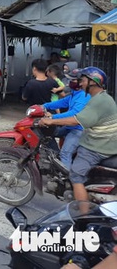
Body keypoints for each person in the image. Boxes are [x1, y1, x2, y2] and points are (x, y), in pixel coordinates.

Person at [40, 66, 117, 203]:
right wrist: (43, 107)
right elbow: (62, 103)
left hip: (96, 145)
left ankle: (82, 215)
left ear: (93, 82)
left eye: (82, 81)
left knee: (75, 173)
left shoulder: (96, 100)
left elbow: (76, 118)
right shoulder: (92, 96)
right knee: (57, 134)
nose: (79, 83)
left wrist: (51, 120)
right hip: (95, 137)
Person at [41, 70, 90, 170]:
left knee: (65, 153)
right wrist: (42, 106)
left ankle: (66, 181)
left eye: (73, 80)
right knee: (48, 134)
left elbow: (74, 114)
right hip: (70, 126)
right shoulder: (74, 94)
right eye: (69, 79)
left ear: (81, 82)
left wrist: (52, 117)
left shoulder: (84, 96)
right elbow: (62, 102)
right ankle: (55, 157)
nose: (69, 82)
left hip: (79, 130)